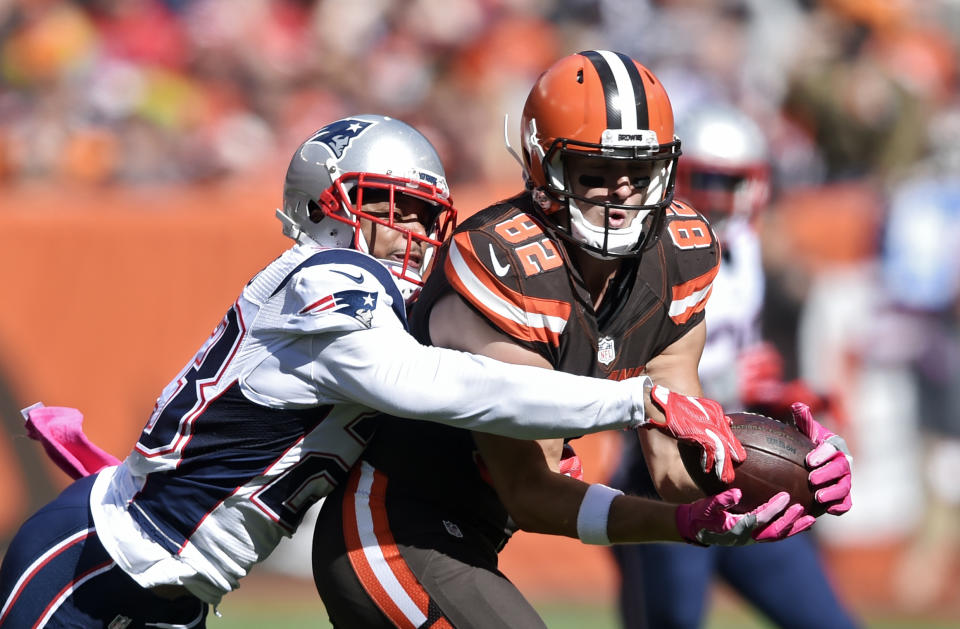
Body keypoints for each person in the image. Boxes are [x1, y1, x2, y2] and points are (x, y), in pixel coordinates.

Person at [0, 114, 732, 628]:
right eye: (394, 207)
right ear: (331, 202)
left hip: (177, 584)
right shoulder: (327, 276)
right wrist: (638, 400)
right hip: (103, 560)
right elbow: (433, 384)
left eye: (425, 215)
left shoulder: (372, 302)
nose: (414, 233)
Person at [312, 51, 852, 628]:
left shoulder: (681, 256)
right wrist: (683, 526)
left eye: (640, 173)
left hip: (467, 537)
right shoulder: (506, 262)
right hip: (392, 530)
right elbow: (529, 488)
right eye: (596, 172)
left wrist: (786, 475)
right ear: (545, 166)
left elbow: (672, 463)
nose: (622, 195)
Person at [608, 103, 860, 629]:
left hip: (749, 472)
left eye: (734, 179)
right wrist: (725, 383)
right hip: (665, 472)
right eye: (709, 178)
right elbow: (626, 378)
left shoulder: (744, 248)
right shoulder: (645, 256)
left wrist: (776, 397)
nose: (722, 195)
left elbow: (736, 367)